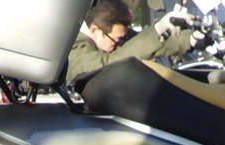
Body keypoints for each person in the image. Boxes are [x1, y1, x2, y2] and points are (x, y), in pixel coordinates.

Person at [66, 0, 196, 86]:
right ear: (95, 30)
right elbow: (105, 66)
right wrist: (158, 29)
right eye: (116, 40)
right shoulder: (74, 44)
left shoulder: (110, 34)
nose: (119, 45)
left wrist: (190, 39)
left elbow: (143, 45)